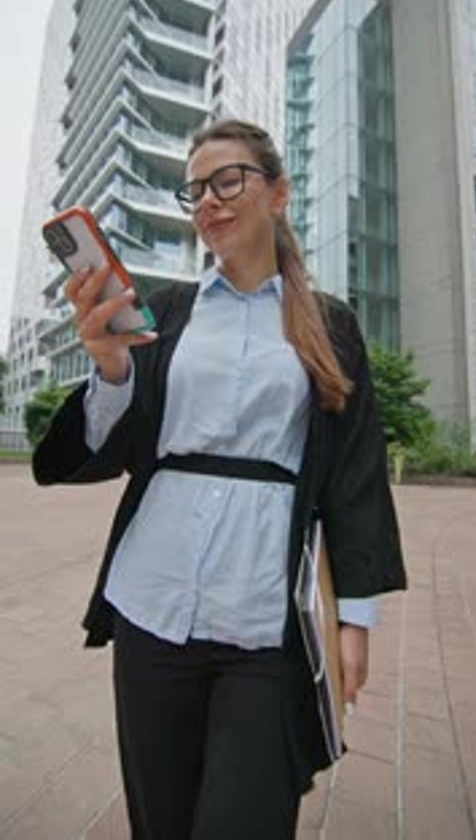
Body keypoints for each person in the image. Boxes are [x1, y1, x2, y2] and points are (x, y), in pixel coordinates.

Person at [33, 118, 407, 840]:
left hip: (266, 619)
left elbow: (356, 473)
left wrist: (354, 615)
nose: (208, 199)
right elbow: (107, 448)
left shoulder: (330, 325)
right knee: (161, 823)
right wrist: (110, 369)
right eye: (195, 189)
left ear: (279, 193)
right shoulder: (163, 315)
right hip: (152, 603)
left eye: (228, 179)